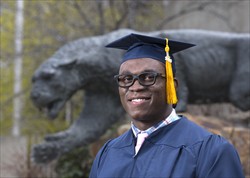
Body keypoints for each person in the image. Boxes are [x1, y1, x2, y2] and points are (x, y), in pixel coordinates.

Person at [89, 33, 245, 178]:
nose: (135, 87)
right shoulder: (108, 153)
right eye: (126, 79)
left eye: (148, 77)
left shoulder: (210, 151)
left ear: (173, 85)